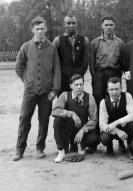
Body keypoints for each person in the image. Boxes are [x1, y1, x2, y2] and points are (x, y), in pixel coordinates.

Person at [13, 16, 61, 161]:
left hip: (47, 92)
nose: (40, 31)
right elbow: (18, 67)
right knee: (24, 119)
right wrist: (27, 81)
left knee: (44, 120)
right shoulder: (26, 47)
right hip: (30, 91)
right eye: (37, 29)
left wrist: (55, 90)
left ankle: (40, 148)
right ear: (33, 30)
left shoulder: (52, 48)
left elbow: (57, 70)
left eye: (42, 28)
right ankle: (20, 149)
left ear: (46, 29)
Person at [52, 74, 100, 163]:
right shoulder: (65, 95)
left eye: (81, 84)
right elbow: (54, 111)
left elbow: (94, 120)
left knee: (94, 139)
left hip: (81, 130)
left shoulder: (90, 98)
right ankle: (61, 150)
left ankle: (81, 146)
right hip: (68, 129)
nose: (79, 87)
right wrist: (71, 113)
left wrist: (82, 130)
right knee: (57, 121)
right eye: (76, 85)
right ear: (71, 85)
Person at [90, 15, 124, 108]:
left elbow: (122, 61)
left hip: (114, 73)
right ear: (102, 26)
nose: (109, 27)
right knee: (98, 98)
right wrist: (95, 76)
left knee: (114, 98)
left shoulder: (120, 42)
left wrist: (118, 75)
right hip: (100, 74)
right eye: (106, 25)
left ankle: (113, 120)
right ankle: (99, 121)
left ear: (114, 26)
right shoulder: (95, 42)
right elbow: (91, 63)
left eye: (111, 25)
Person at [99, 77, 133, 156]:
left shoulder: (127, 96)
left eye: (117, 89)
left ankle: (130, 149)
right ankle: (109, 148)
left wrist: (116, 122)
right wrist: (117, 131)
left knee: (132, 124)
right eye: (111, 90)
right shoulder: (103, 102)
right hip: (111, 129)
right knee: (104, 138)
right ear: (107, 90)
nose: (114, 92)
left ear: (121, 88)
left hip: (125, 127)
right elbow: (102, 125)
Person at [53, 14, 89, 95]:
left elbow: (85, 60)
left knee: (78, 99)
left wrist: (81, 72)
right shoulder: (57, 40)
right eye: (68, 23)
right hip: (63, 77)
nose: (71, 25)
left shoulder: (84, 40)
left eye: (73, 23)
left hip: (78, 77)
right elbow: (54, 61)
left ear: (76, 24)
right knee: (63, 99)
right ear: (64, 24)